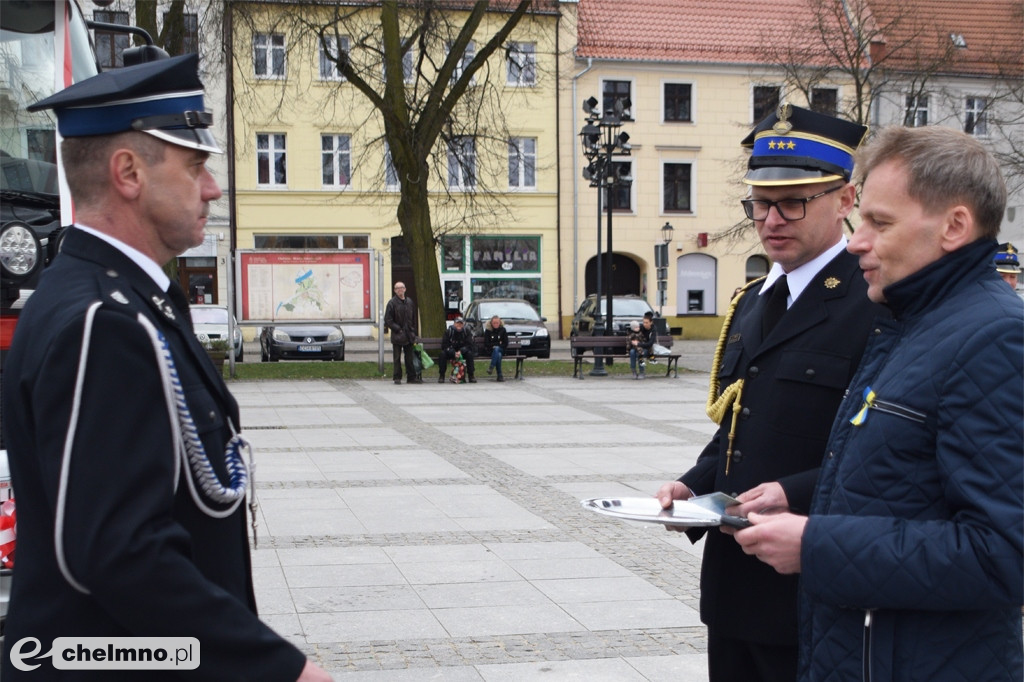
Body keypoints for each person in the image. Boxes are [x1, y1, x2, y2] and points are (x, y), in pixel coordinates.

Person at [1, 55, 330, 680]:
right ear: (128, 173)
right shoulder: (104, 323)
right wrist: (279, 669)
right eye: (195, 166)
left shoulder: (116, 297)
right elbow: (121, 555)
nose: (213, 188)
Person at [733, 126, 1023, 680]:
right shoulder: (910, 324)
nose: (856, 241)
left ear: (954, 226)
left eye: (880, 223)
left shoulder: (995, 338)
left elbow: (1003, 554)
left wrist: (815, 545)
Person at [655, 104, 885, 682]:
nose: (771, 220)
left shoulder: (874, 301)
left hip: (810, 578)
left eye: (793, 203)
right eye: (760, 203)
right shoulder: (752, 300)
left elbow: (881, 448)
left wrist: (791, 493)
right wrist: (693, 486)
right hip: (733, 582)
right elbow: (740, 421)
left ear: (845, 199)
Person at [384, 281, 422, 384]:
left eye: (401, 288)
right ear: (395, 290)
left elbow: (413, 318)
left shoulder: (410, 302)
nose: (400, 290)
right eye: (397, 288)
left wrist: (413, 331)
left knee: (409, 358)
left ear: (405, 289)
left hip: (409, 335)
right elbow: (388, 320)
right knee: (397, 358)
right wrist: (398, 329)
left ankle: (411, 377)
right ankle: (397, 377)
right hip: (398, 335)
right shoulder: (392, 303)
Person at [438, 316, 476, 383]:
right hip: (451, 352)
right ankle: (442, 375)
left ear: (463, 324)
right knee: (442, 354)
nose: (459, 325)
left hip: (462, 352)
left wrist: (461, 351)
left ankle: (471, 375)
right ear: (454, 324)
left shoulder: (466, 332)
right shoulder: (449, 332)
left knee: (469, 354)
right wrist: (453, 352)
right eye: (457, 323)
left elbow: (469, 345)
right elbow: (444, 345)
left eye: (461, 323)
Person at [483, 314, 508, 382]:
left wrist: (496, 345)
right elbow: (486, 343)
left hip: (501, 349)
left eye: (497, 323)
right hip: (491, 350)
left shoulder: (503, 330)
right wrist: (497, 344)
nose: (496, 324)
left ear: (500, 322)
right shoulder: (488, 331)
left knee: (497, 349)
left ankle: (491, 367)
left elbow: (505, 343)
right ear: (491, 323)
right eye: (494, 323)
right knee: (498, 355)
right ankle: (500, 376)